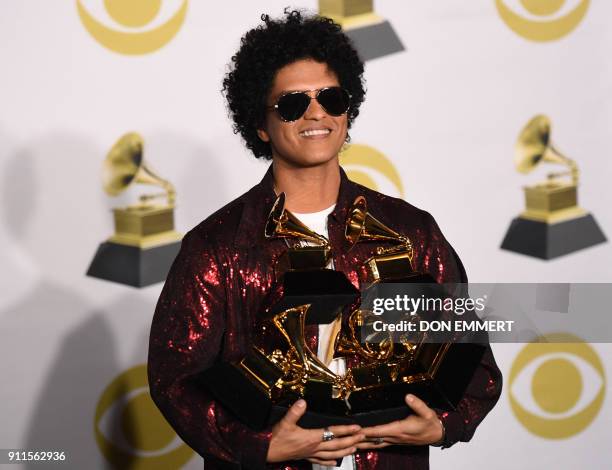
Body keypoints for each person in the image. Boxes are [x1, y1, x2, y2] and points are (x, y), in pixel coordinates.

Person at [148, 10, 502, 470]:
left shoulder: (411, 231)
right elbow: (175, 379)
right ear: (260, 124)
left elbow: (473, 362)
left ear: (347, 112)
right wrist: (260, 445)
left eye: (331, 98)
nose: (316, 112)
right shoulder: (218, 247)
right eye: (293, 103)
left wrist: (445, 423)